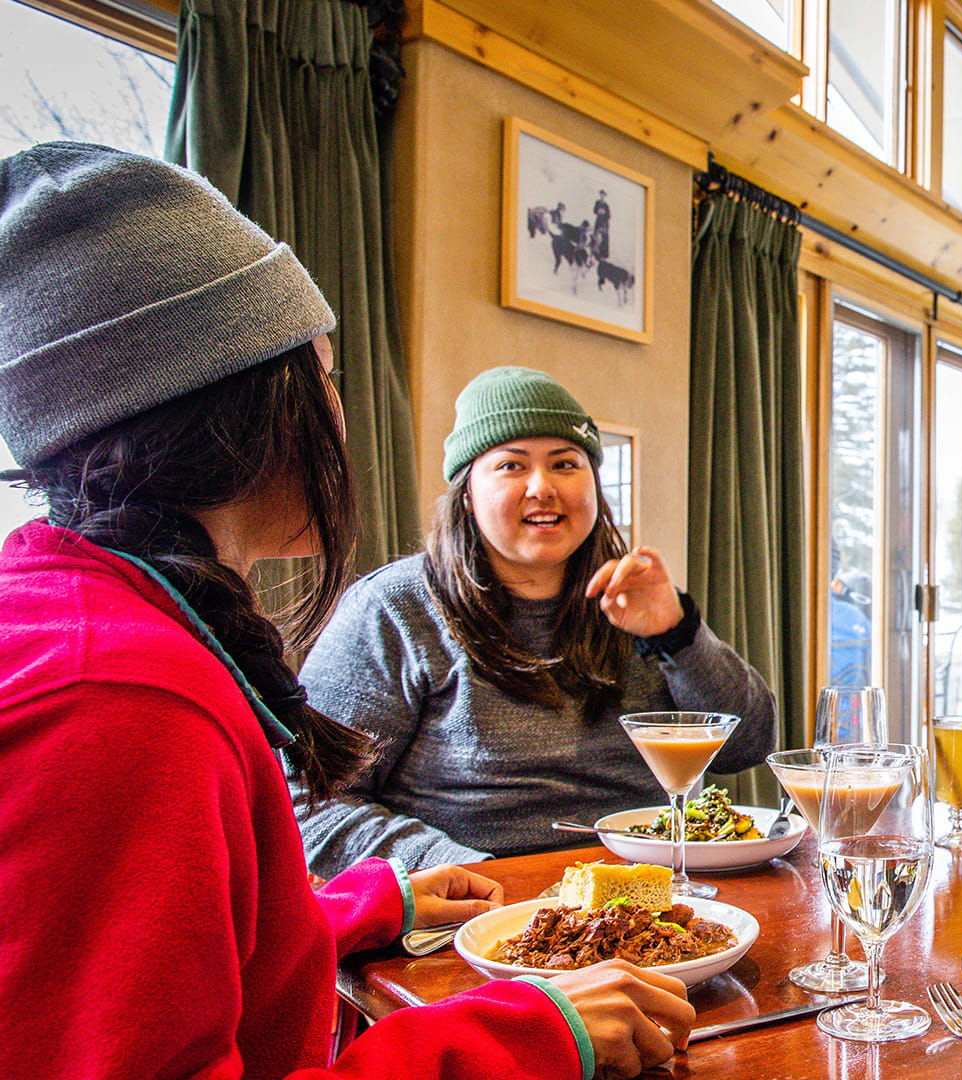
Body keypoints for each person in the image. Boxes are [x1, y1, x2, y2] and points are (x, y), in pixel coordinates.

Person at [0, 143, 692, 1078]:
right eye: (324, 376)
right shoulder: (118, 702)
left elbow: (183, 956)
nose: (341, 412)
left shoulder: (113, 627)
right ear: (250, 406)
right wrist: (528, 1033)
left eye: (567, 464)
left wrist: (364, 906)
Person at [295, 365, 778, 875]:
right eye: (511, 466)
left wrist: (678, 635)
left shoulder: (634, 596)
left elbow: (746, 746)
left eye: (566, 464)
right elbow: (309, 805)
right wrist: (467, 875)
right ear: (466, 492)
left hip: (656, 896)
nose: (542, 488)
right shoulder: (393, 609)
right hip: (474, 910)